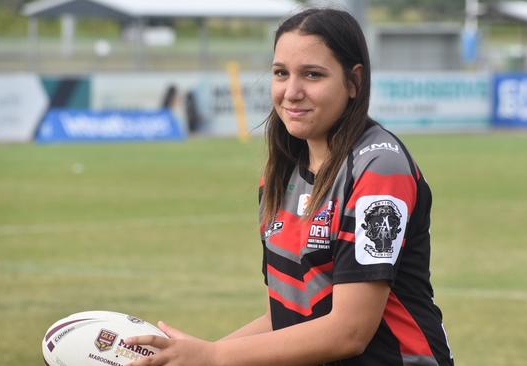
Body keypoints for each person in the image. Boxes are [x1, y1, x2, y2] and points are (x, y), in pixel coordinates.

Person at [126, 8, 453, 366]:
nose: (292, 92)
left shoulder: (378, 168)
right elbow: (288, 318)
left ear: (353, 82)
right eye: (281, 73)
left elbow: (350, 331)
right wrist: (193, 355)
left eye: (312, 75)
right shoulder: (281, 176)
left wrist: (215, 356)